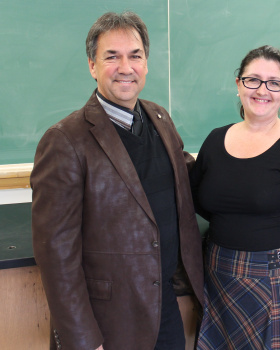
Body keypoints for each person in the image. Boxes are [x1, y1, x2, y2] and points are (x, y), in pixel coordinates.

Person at [31, 12, 203, 350]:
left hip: (163, 305)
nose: (126, 67)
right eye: (112, 56)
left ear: (146, 64)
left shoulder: (158, 118)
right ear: (92, 66)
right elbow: (56, 255)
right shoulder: (65, 140)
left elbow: (187, 180)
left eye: (135, 55)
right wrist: (83, 339)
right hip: (107, 322)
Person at [190, 45, 280, 349]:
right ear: (239, 84)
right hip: (219, 279)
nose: (262, 90)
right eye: (253, 80)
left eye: (274, 82)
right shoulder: (214, 141)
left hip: (277, 282)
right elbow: (199, 201)